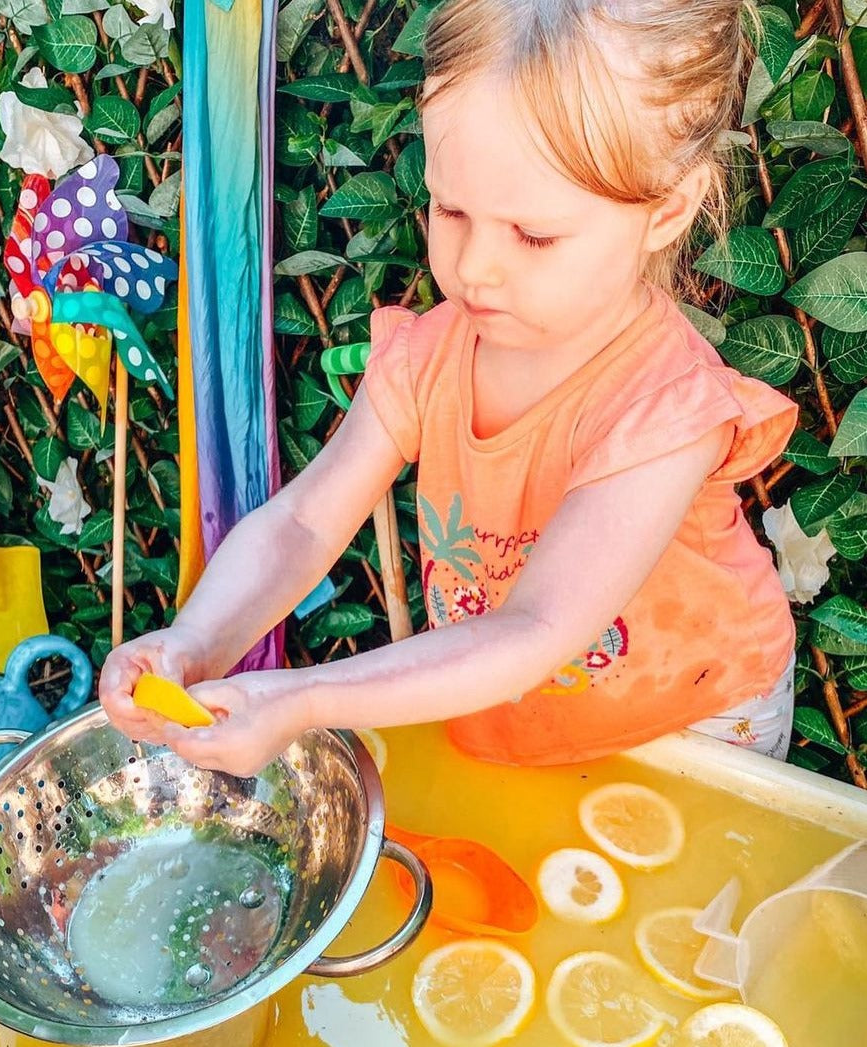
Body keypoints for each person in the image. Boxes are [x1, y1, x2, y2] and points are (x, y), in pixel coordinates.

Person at [100, 0, 798, 776]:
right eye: (450, 208)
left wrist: (303, 698)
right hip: (517, 714)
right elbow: (302, 523)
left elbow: (537, 626)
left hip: (696, 725)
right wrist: (197, 639)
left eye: (532, 235)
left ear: (667, 208)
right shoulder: (428, 358)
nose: (473, 268)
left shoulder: (664, 408)